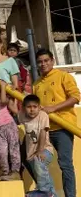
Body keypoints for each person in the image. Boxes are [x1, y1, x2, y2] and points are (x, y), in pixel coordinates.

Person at [34, 48, 80, 197]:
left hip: (62, 127)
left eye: (46, 60)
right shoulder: (36, 84)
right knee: (34, 160)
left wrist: (53, 108)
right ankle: (49, 193)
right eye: (40, 62)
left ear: (53, 61)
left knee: (65, 164)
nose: (43, 64)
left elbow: (75, 97)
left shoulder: (63, 76)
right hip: (44, 130)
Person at [19, 95, 57, 197]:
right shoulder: (22, 116)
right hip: (31, 154)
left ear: (39, 107)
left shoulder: (43, 115)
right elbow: (13, 108)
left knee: (39, 162)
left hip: (45, 150)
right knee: (45, 177)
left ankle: (43, 191)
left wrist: (40, 151)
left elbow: (43, 133)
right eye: (29, 107)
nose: (32, 110)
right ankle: (51, 194)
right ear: (24, 108)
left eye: (35, 107)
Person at [0, 82, 20, 181]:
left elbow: (3, 101)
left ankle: (15, 171)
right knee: (1, 151)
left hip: (10, 126)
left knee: (13, 150)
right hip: (0, 130)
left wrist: (3, 87)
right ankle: (5, 171)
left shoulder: (6, 100)